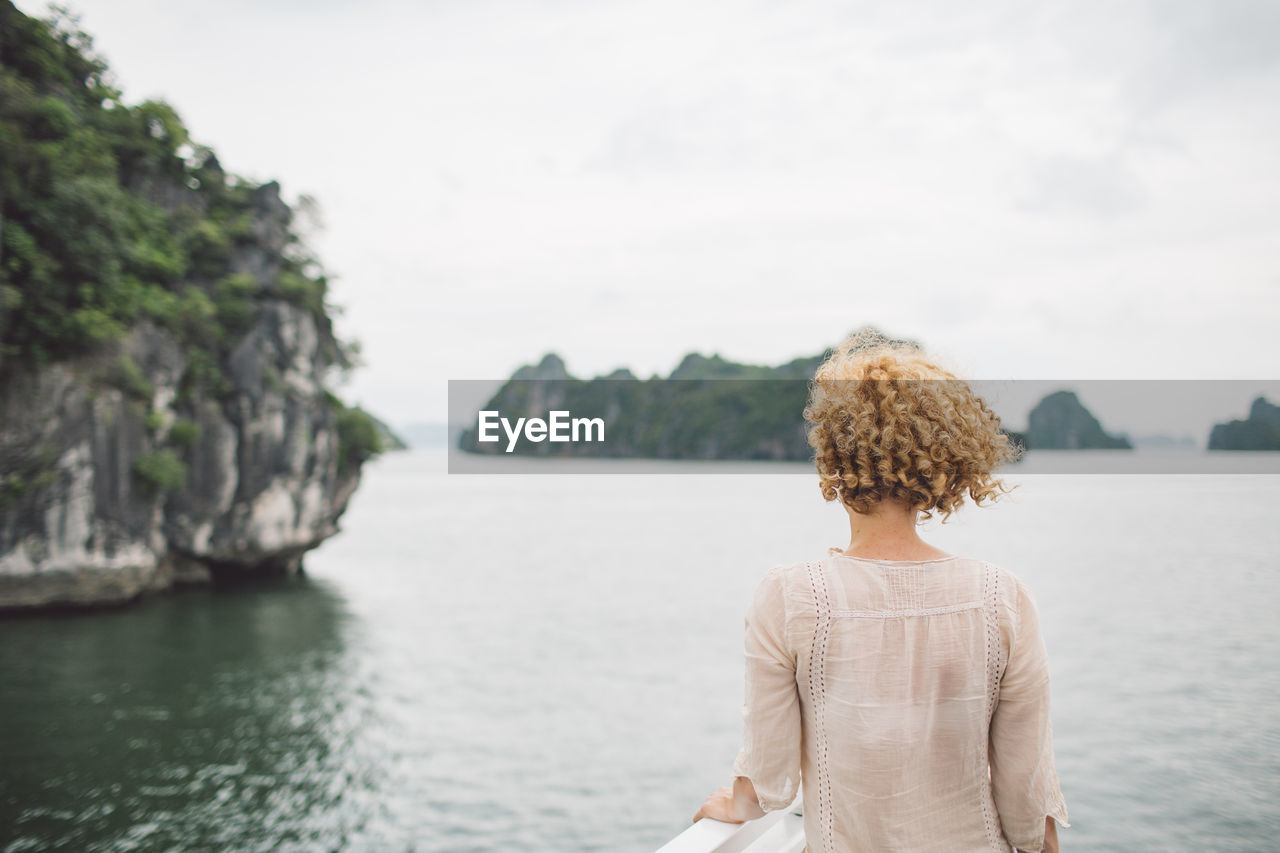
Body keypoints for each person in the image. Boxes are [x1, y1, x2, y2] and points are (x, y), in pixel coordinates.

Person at [693, 332, 1069, 852]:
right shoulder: (1002, 598)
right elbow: (1028, 800)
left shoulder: (791, 597)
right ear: (945, 461)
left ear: (833, 458)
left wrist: (734, 806)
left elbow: (769, 780)